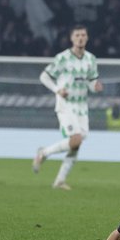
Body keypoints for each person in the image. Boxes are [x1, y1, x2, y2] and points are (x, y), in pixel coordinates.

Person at [33, 25, 103, 190]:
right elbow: (44, 76)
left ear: (87, 38)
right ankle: (43, 153)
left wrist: (96, 87)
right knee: (76, 139)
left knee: (76, 143)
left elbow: (91, 82)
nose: (80, 38)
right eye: (77, 35)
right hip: (66, 105)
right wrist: (57, 89)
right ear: (72, 38)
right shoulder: (62, 58)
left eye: (83, 35)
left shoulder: (91, 59)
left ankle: (59, 180)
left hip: (82, 106)